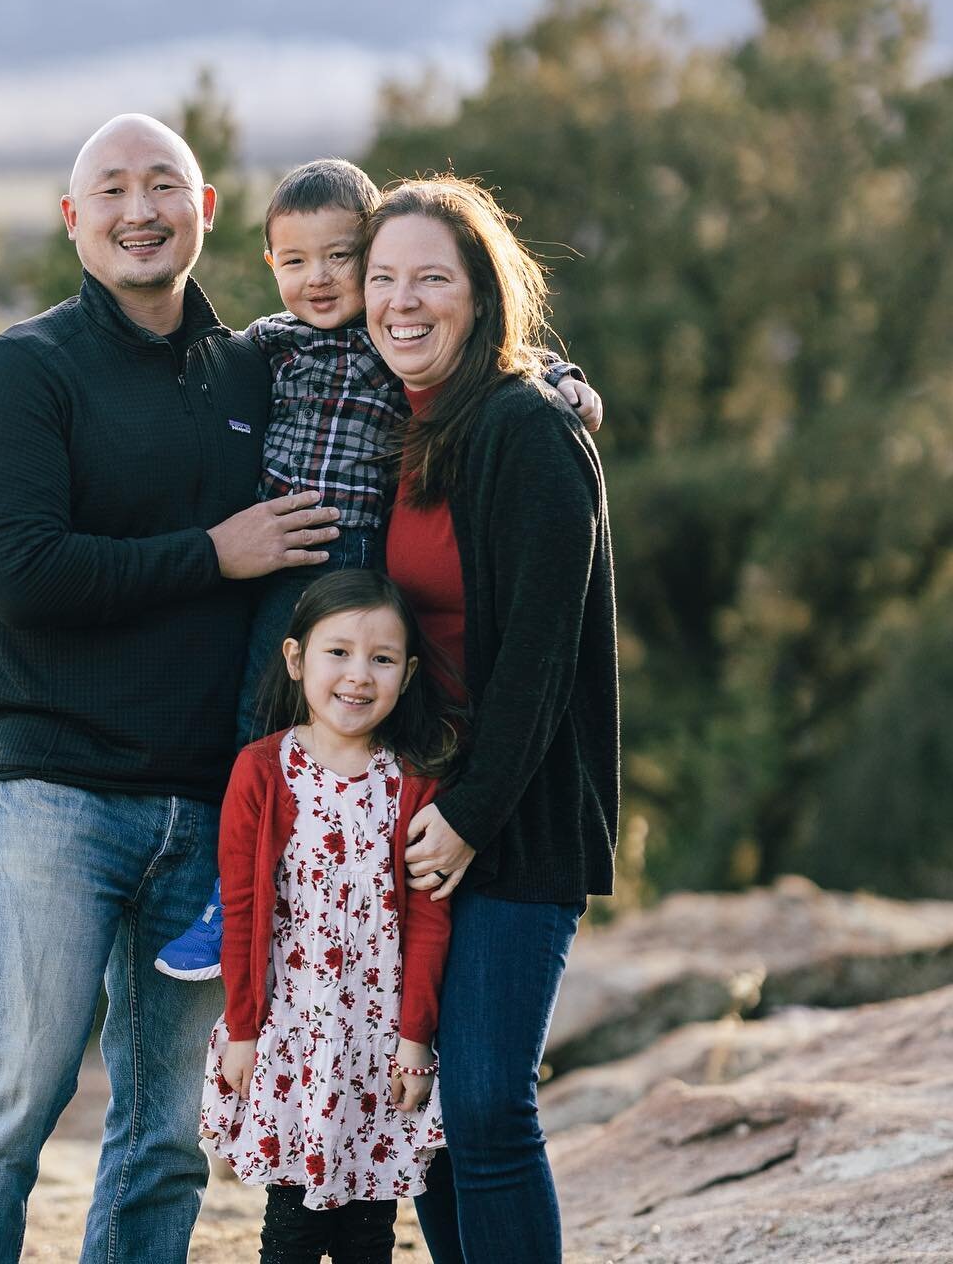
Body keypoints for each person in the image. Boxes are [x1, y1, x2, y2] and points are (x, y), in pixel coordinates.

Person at [0, 114, 343, 1264]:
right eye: (111, 189)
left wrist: (547, 379)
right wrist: (217, 551)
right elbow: (24, 577)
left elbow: (400, 355)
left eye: (166, 186)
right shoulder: (21, 372)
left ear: (207, 214)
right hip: (64, 793)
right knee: (8, 1107)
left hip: (215, 811)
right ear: (73, 220)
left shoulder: (260, 366)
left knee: (166, 1136)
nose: (139, 209)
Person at [155, 157, 601, 982]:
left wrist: (561, 377)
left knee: (367, 714)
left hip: (364, 566)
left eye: (341, 260)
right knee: (262, 712)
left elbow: (493, 352)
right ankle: (242, 888)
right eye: (295, 262)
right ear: (270, 267)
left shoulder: (389, 342)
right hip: (287, 566)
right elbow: (184, 371)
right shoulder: (270, 347)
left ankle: (314, 872)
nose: (319, 280)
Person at [361, 176, 620, 1264]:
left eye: (431, 278)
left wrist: (469, 816)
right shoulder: (391, 428)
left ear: (483, 296)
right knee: (422, 1120)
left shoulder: (529, 432)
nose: (400, 303)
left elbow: (541, 662)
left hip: (511, 822)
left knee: (484, 1107)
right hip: (412, 820)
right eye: (382, 280)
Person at [200, 569, 456, 1264]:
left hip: (378, 1039)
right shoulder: (262, 770)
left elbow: (430, 918)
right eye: (336, 652)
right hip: (294, 1033)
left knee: (371, 1228)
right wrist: (246, 1028)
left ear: (405, 675)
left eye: (380, 659)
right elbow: (245, 910)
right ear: (295, 659)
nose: (357, 676)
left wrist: (414, 1038)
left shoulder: (412, 780)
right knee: (294, 1224)